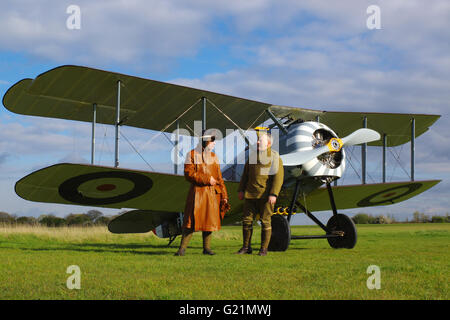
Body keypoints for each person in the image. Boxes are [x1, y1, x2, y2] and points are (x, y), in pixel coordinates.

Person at [175, 135, 229, 256]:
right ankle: (182, 249)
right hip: (197, 194)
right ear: (205, 142)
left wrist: (224, 195)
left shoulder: (214, 157)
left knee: (209, 222)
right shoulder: (192, 154)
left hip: (212, 194)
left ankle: (207, 248)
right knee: (190, 222)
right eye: (212, 142)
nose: (214, 144)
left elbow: (219, 178)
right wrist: (206, 179)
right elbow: (188, 173)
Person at [236, 128, 284, 256]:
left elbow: (278, 178)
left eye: (260, 141)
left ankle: (263, 249)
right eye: (257, 141)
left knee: (265, 221)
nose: (257, 143)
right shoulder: (252, 156)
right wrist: (241, 190)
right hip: (250, 194)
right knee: (246, 221)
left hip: (265, 196)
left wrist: (273, 194)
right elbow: (245, 175)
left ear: (268, 143)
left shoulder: (275, 157)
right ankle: (246, 247)